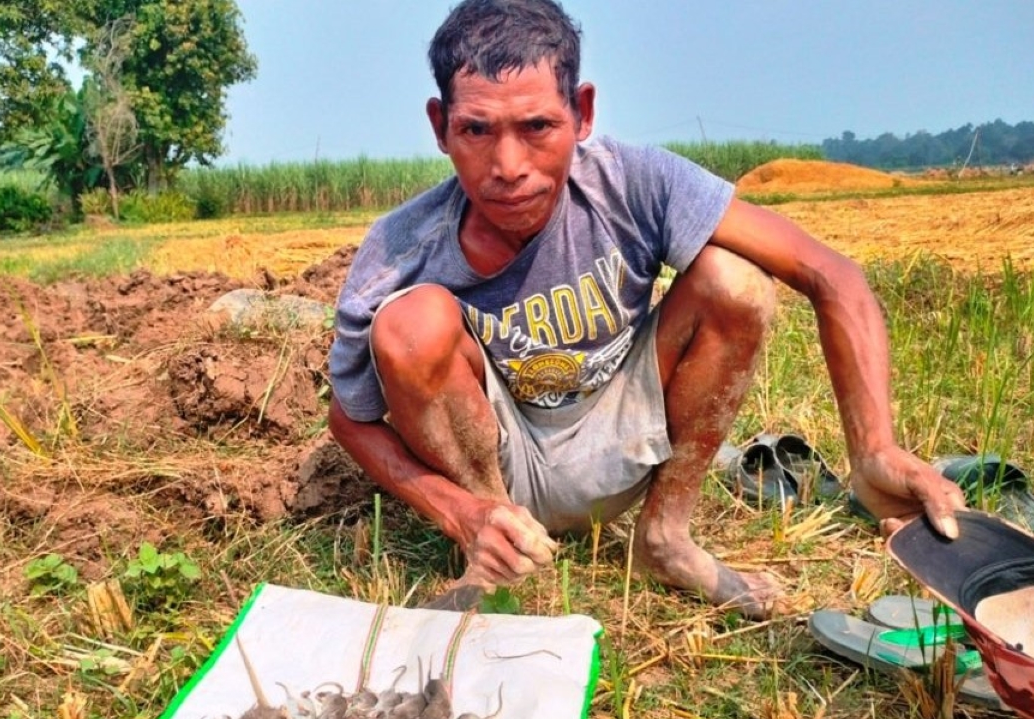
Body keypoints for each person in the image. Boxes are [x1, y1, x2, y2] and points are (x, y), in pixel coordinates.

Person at [327, 0, 966, 618]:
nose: (509, 167)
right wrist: (457, 512)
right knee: (410, 325)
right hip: (498, 459)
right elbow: (350, 419)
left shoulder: (634, 184)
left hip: (624, 432)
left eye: (537, 128)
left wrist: (875, 448)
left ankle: (665, 538)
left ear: (581, 113)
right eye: (476, 131)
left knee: (734, 279)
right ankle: (500, 550)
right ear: (441, 127)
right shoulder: (400, 245)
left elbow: (831, 274)